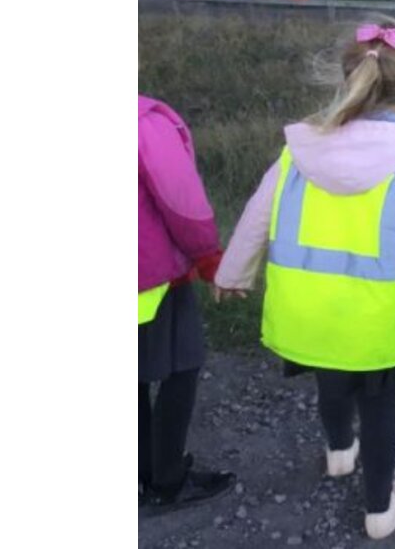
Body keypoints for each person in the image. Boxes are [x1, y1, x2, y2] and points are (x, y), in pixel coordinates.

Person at [215, 15, 395, 540]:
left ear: (347, 78)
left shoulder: (299, 150)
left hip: (306, 307)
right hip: (375, 319)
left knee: (329, 378)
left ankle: (339, 452)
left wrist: (234, 272)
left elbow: (259, 211)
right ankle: (379, 509)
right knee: (380, 406)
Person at [139, 95, 236, 514]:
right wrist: (207, 254)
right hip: (150, 278)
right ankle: (166, 480)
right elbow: (182, 202)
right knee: (182, 366)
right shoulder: (143, 124)